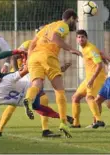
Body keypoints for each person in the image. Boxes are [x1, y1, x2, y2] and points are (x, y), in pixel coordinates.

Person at [23, 9, 81, 138]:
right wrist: (71, 49)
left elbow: (32, 43)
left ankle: (28, 98)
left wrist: (28, 60)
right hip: (48, 56)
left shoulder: (48, 26)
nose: (75, 24)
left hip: (34, 57)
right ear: (71, 18)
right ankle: (63, 123)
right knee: (59, 91)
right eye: (76, 21)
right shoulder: (63, 25)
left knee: (37, 84)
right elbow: (55, 38)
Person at [71, 30, 106, 129]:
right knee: (75, 98)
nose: (81, 39)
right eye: (79, 37)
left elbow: (99, 65)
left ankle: (98, 120)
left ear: (86, 38)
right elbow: (87, 57)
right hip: (89, 77)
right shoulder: (85, 49)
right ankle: (76, 123)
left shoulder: (91, 49)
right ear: (76, 39)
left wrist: (92, 79)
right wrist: (78, 53)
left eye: (83, 37)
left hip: (96, 77)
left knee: (89, 98)